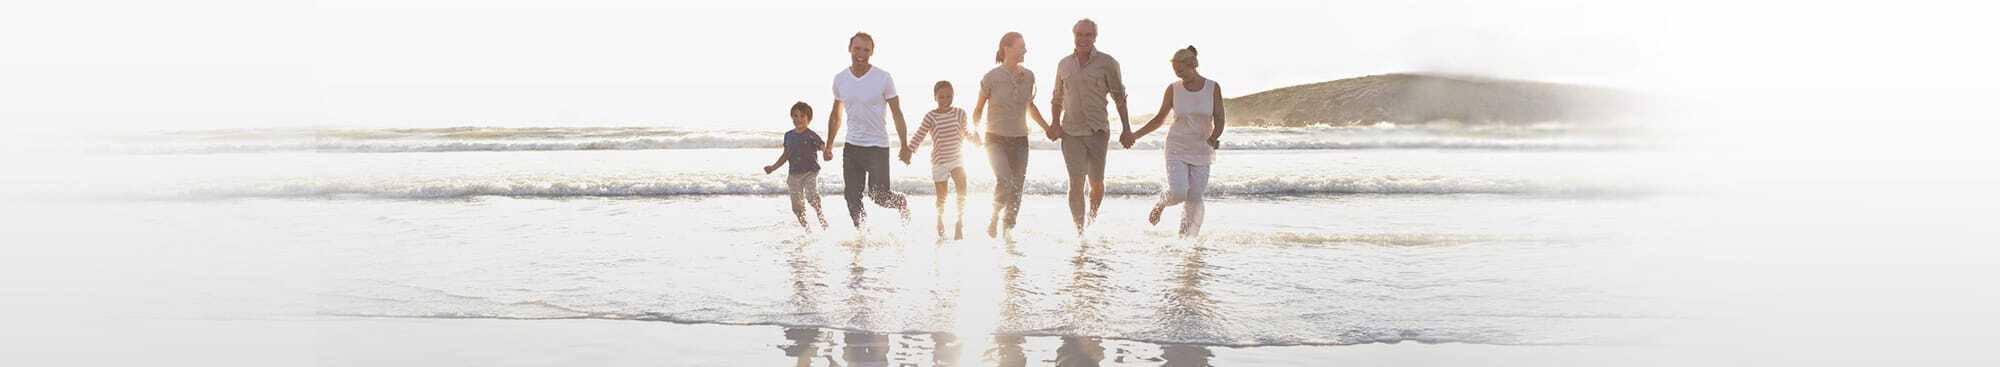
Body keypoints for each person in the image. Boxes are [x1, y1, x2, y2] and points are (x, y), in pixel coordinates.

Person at [1121, 46, 1225, 238]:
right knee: (1178, 192)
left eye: (1181, 70)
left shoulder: (1212, 87)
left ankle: (1186, 240)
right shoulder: (1173, 89)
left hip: (1201, 148)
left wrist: (1214, 137)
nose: (1179, 75)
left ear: (1193, 65)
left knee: (1194, 197)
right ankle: (1162, 203)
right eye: (1176, 71)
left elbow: (1219, 118)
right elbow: (1160, 118)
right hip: (1176, 146)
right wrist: (1135, 135)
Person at [971, 31, 1057, 241]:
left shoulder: (1029, 76)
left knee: (1017, 188)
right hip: (995, 139)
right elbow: (979, 109)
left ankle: (1008, 233)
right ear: (1006, 49)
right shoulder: (991, 77)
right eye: (1021, 47)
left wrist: (1047, 127)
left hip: (1020, 139)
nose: (1025, 50)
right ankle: (993, 217)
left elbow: (1030, 106)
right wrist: (974, 131)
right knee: (1004, 180)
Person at [1050, 18, 1130, 234]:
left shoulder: (1108, 63)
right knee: (1075, 183)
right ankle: (1080, 232)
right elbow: (1057, 97)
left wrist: (1127, 129)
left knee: (1096, 183)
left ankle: (1092, 220)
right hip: (1071, 132)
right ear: (1073, 35)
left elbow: (1119, 98)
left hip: (1097, 131)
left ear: (1095, 37)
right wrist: (1055, 123)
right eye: (1079, 34)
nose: (1083, 39)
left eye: (1088, 35)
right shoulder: (1063, 64)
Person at [826, 32, 911, 227]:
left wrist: (904, 145)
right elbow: (836, 114)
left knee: (878, 196)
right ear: (849, 49)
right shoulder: (840, 79)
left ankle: (901, 202)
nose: (861, 53)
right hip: (852, 146)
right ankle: (862, 234)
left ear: (872, 52)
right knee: (851, 196)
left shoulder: (883, 78)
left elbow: (897, 113)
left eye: (866, 49)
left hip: (877, 147)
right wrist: (829, 144)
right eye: (857, 48)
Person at [901, 81, 974, 239]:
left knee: (962, 190)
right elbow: (920, 134)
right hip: (939, 161)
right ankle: (940, 220)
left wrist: (974, 139)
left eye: (949, 96)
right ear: (935, 97)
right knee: (942, 196)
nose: (945, 100)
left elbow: (965, 131)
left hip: (957, 159)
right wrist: (909, 152)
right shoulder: (931, 116)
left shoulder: (960, 113)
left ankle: (959, 222)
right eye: (941, 97)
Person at [765, 102, 830, 230]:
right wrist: (773, 167)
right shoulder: (788, 135)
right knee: (797, 207)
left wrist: (826, 152)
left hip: (810, 172)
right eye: (795, 116)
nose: (798, 119)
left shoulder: (811, 135)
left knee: (811, 196)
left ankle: (821, 217)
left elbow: (822, 146)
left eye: (802, 116)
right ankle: (807, 229)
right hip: (793, 174)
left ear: (808, 119)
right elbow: (785, 155)